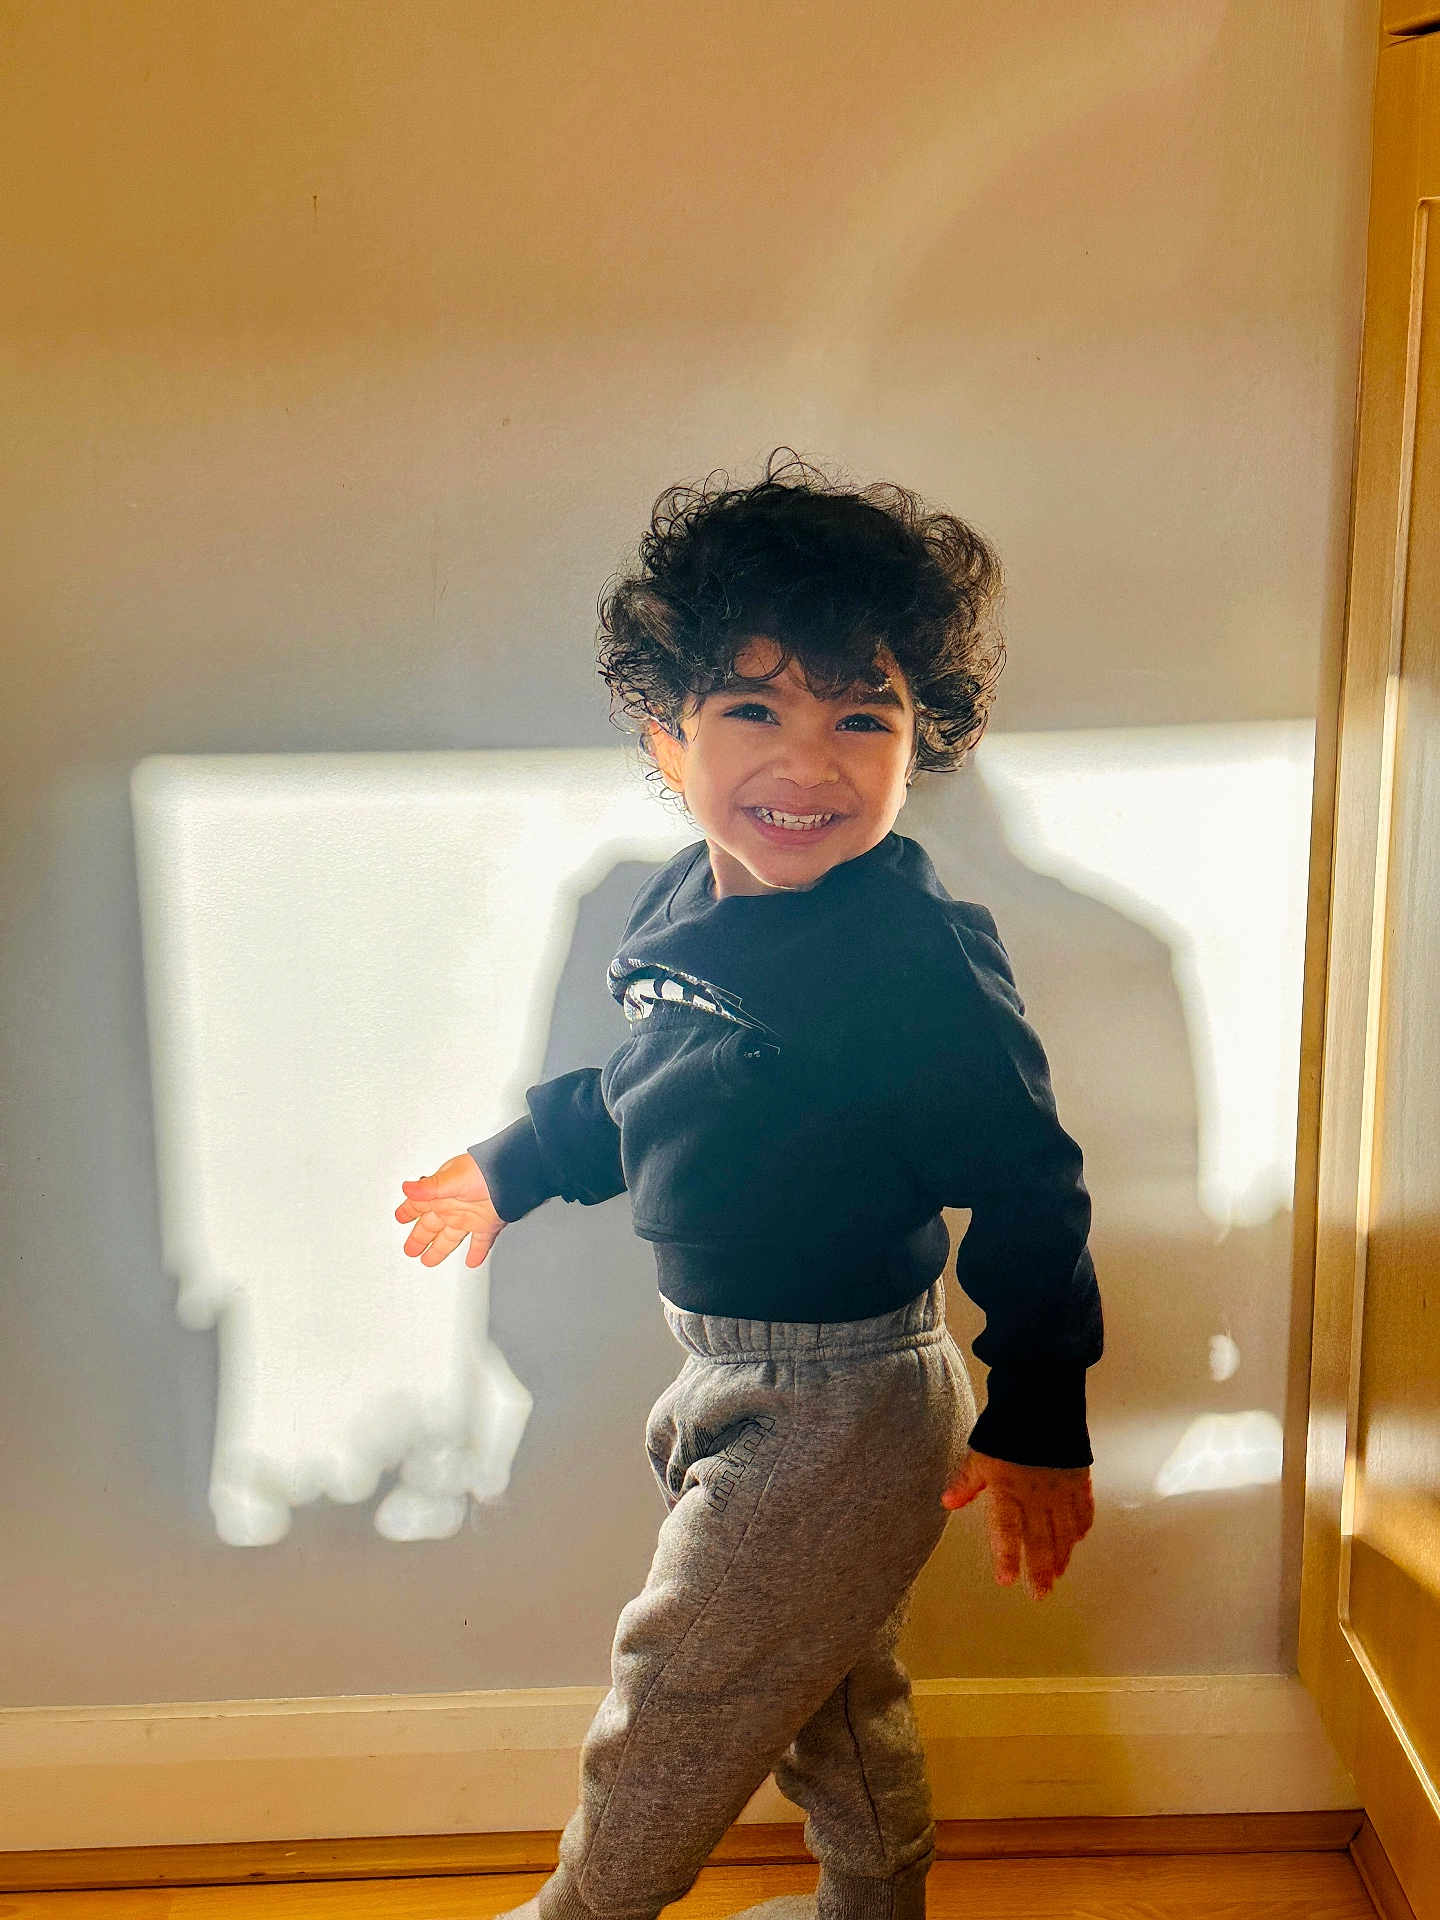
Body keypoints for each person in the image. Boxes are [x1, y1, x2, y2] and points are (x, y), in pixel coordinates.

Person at [395, 450, 1102, 1920]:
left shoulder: (913, 956)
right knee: (835, 1695)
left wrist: (1039, 1415)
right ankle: (874, 1905)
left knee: (686, 1685)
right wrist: (513, 1165)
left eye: (864, 715)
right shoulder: (678, 903)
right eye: (753, 710)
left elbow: (1031, 1189)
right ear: (668, 736)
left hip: (846, 1403)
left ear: (923, 742)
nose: (811, 760)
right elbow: (643, 1087)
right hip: (720, 1376)